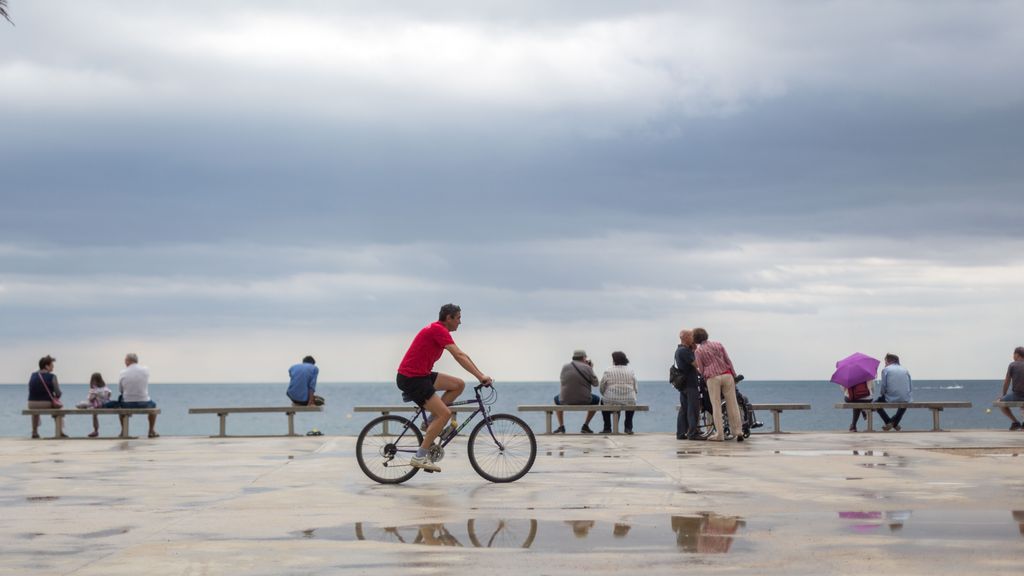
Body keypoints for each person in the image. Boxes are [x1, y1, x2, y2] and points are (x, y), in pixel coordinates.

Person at [396, 303, 492, 472]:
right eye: (459, 318)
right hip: (412, 378)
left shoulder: (440, 330)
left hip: (421, 375)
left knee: (458, 384)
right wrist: (480, 377)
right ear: (449, 318)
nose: (460, 323)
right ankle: (419, 456)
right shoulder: (438, 330)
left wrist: (481, 374)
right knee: (445, 414)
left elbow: (463, 355)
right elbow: (459, 355)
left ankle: (430, 422)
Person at [693, 328, 744, 442]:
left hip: (712, 378)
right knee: (733, 404)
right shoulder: (718, 344)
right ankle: (738, 431)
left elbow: (701, 368)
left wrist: (705, 378)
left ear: (695, 339)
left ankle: (719, 434)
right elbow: (728, 360)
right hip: (727, 374)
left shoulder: (698, 351)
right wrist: (733, 374)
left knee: (716, 405)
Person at [104, 353, 159, 438]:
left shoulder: (123, 372)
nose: (125, 362)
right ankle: (151, 431)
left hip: (128, 403)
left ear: (128, 361)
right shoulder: (145, 370)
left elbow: (120, 390)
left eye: (125, 360)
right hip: (144, 402)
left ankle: (123, 431)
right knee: (154, 407)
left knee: (121, 408)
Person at [554, 350, 601, 434]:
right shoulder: (587, 368)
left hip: (564, 400)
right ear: (584, 358)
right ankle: (585, 426)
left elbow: (563, 381)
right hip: (585, 400)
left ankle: (561, 426)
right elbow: (596, 383)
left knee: (555, 399)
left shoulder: (565, 367)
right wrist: (591, 368)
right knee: (597, 399)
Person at [599, 351, 638, 434]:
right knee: (632, 402)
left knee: (602, 402)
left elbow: (602, 387)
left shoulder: (608, 371)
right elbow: (636, 388)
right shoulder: (630, 371)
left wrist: (605, 394)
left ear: (614, 360)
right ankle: (628, 427)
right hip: (629, 399)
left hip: (611, 399)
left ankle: (607, 428)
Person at [27, 355, 64, 439]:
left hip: (31, 403)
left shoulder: (33, 375)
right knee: (59, 408)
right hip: (45, 403)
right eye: (52, 365)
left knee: (35, 411)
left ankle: (35, 432)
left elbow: (30, 388)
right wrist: (56, 396)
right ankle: (60, 431)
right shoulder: (52, 376)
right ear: (46, 366)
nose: (53, 367)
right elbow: (58, 393)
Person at [675, 329, 702, 440]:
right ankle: (692, 433)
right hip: (690, 384)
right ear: (685, 337)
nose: (693, 338)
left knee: (684, 409)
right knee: (693, 409)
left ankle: (681, 433)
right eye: (691, 336)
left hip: (684, 384)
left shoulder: (680, 350)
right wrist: (696, 351)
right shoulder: (684, 351)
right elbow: (696, 364)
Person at [876, 353, 912, 431]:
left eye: (885, 362)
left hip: (890, 397)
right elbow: (910, 385)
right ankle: (894, 423)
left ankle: (889, 422)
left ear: (889, 361)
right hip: (905, 397)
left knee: (876, 404)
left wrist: (882, 394)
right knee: (904, 402)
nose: (885, 364)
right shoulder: (905, 370)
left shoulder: (886, 370)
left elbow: (884, 386)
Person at [997, 346, 1024, 430]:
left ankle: (1015, 422)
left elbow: (1007, 382)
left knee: (1000, 403)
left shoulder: (1012, 365)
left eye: (1014, 354)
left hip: (1017, 395)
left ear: (1017, 354)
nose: (1013, 356)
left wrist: (1004, 395)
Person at [81, 372, 113, 437]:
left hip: (97, 405)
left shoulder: (94, 389)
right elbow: (109, 395)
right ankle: (95, 431)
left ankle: (95, 431)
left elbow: (91, 398)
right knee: (94, 414)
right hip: (105, 404)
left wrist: (93, 397)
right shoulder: (105, 388)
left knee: (83, 405)